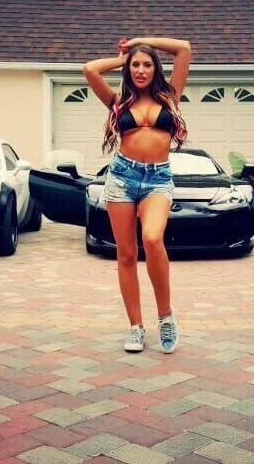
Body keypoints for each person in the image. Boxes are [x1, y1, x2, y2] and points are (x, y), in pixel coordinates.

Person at [83, 36, 191, 353]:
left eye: (146, 64)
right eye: (135, 65)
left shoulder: (170, 96)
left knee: (153, 238)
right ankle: (135, 327)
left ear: (155, 68)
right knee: (127, 254)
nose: (140, 70)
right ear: (128, 70)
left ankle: (165, 316)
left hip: (158, 179)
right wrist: (121, 57)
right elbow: (90, 69)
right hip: (121, 178)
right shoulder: (117, 102)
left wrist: (141, 41)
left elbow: (183, 48)